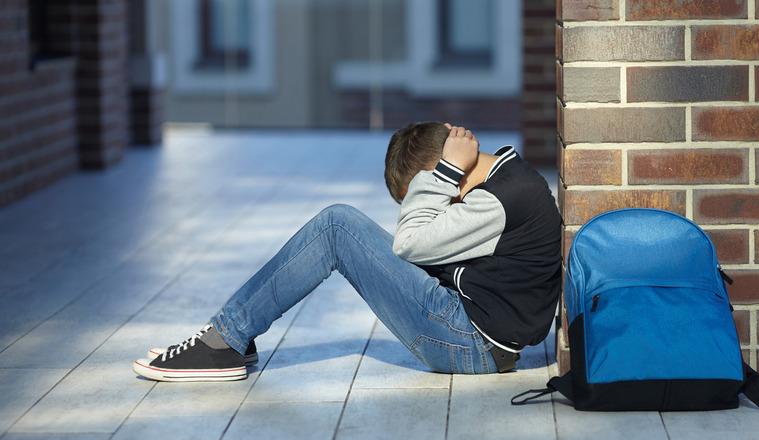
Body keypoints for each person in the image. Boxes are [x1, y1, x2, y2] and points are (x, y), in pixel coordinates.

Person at [132, 122, 561, 382]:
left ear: (446, 173)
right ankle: (233, 337)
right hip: (477, 333)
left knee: (338, 225)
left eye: (429, 192)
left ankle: (224, 340)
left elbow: (409, 242)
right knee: (344, 226)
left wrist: (445, 171)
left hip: (471, 344)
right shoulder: (508, 182)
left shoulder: (496, 201)